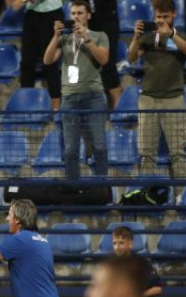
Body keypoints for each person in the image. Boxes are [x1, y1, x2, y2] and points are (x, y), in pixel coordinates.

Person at [44, 0, 110, 179]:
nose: (76, 17)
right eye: (73, 14)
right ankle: (73, 189)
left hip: (94, 97)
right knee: (71, 149)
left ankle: (102, 189)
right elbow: (48, 60)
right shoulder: (64, 38)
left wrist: (86, 39)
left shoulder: (99, 35)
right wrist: (55, 36)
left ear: (88, 15)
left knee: (99, 146)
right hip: (70, 98)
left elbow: (103, 59)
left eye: (80, 13)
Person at [129, 0, 186, 178]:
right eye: (158, 17)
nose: (161, 21)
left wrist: (171, 34)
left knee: (178, 154)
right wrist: (136, 37)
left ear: (173, 15)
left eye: (165, 17)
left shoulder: (183, 37)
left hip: (174, 99)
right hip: (148, 99)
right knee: (146, 153)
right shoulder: (148, 37)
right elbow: (131, 57)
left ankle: (182, 198)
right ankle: (147, 197)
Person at [8, 0, 65, 110]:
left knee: (50, 63)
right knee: (26, 63)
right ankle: (26, 106)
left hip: (51, 14)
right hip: (32, 14)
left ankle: (56, 109)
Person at [88, 0, 123, 107]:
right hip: (90, 22)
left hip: (107, 21)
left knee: (108, 66)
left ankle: (119, 110)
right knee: (90, 67)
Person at [111, 226, 163, 297]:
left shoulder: (141, 263)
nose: (117, 247)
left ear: (130, 244)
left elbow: (158, 289)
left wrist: (138, 296)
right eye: (114, 243)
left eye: (121, 243)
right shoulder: (110, 265)